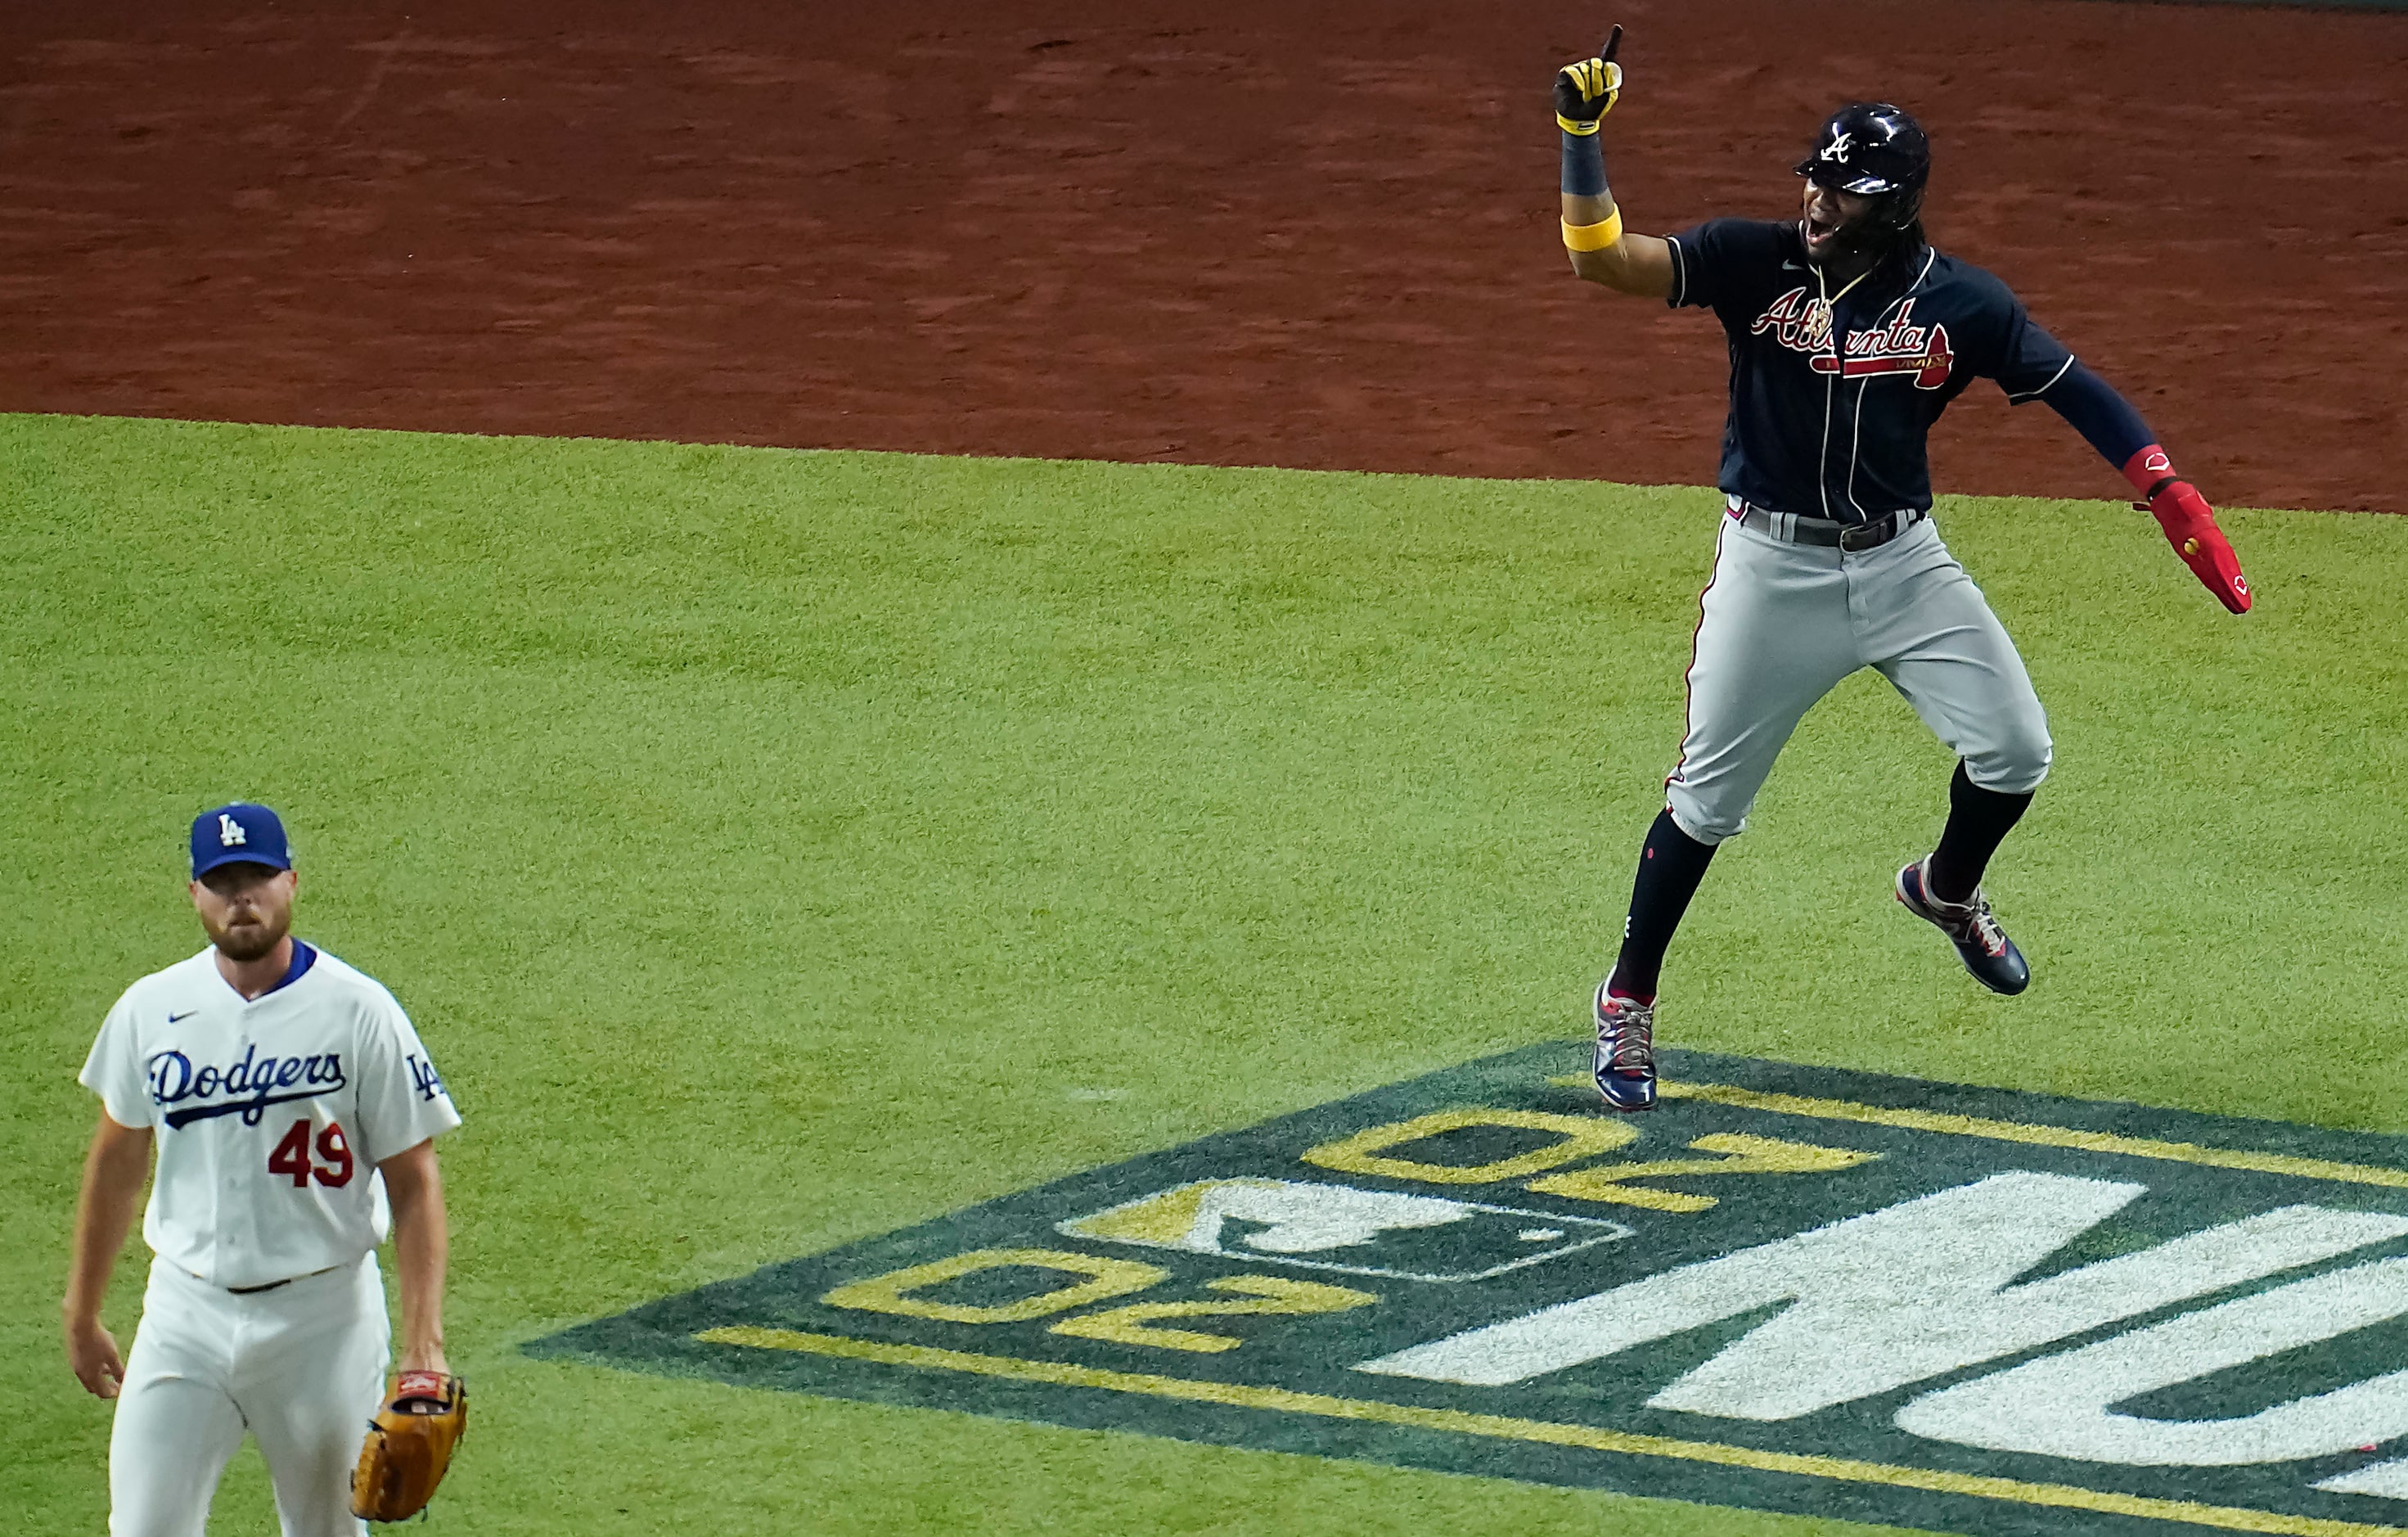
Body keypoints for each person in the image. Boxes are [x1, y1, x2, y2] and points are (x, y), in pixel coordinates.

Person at [1551, 35, 2251, 1111]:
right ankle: (1627, 995)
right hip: (1770, 567)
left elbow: (2075, 388)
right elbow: (1600, 260)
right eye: (1815, 180)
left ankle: (1944, 888)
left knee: (2015, 750)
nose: (1819, 203)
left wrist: (2163, 485)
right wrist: (1580, 138)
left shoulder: (1957, 303)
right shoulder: (1753, 260)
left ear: (1899, 203)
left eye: (1847, 191)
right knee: (1704, 802)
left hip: (1899, 563)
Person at [61, 803, 462, 1534]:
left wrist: (423, 1345)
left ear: (291, 883)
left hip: (323, 1321)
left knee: (327, 1530)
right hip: (184, 1314)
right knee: (143, 1527)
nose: (240, 897)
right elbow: (117, 1162)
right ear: (194, 896)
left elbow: (415, 1179)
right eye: (221, 882)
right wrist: (82, 1309)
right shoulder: (151, 1009)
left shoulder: (359, 1011)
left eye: (256, 878)